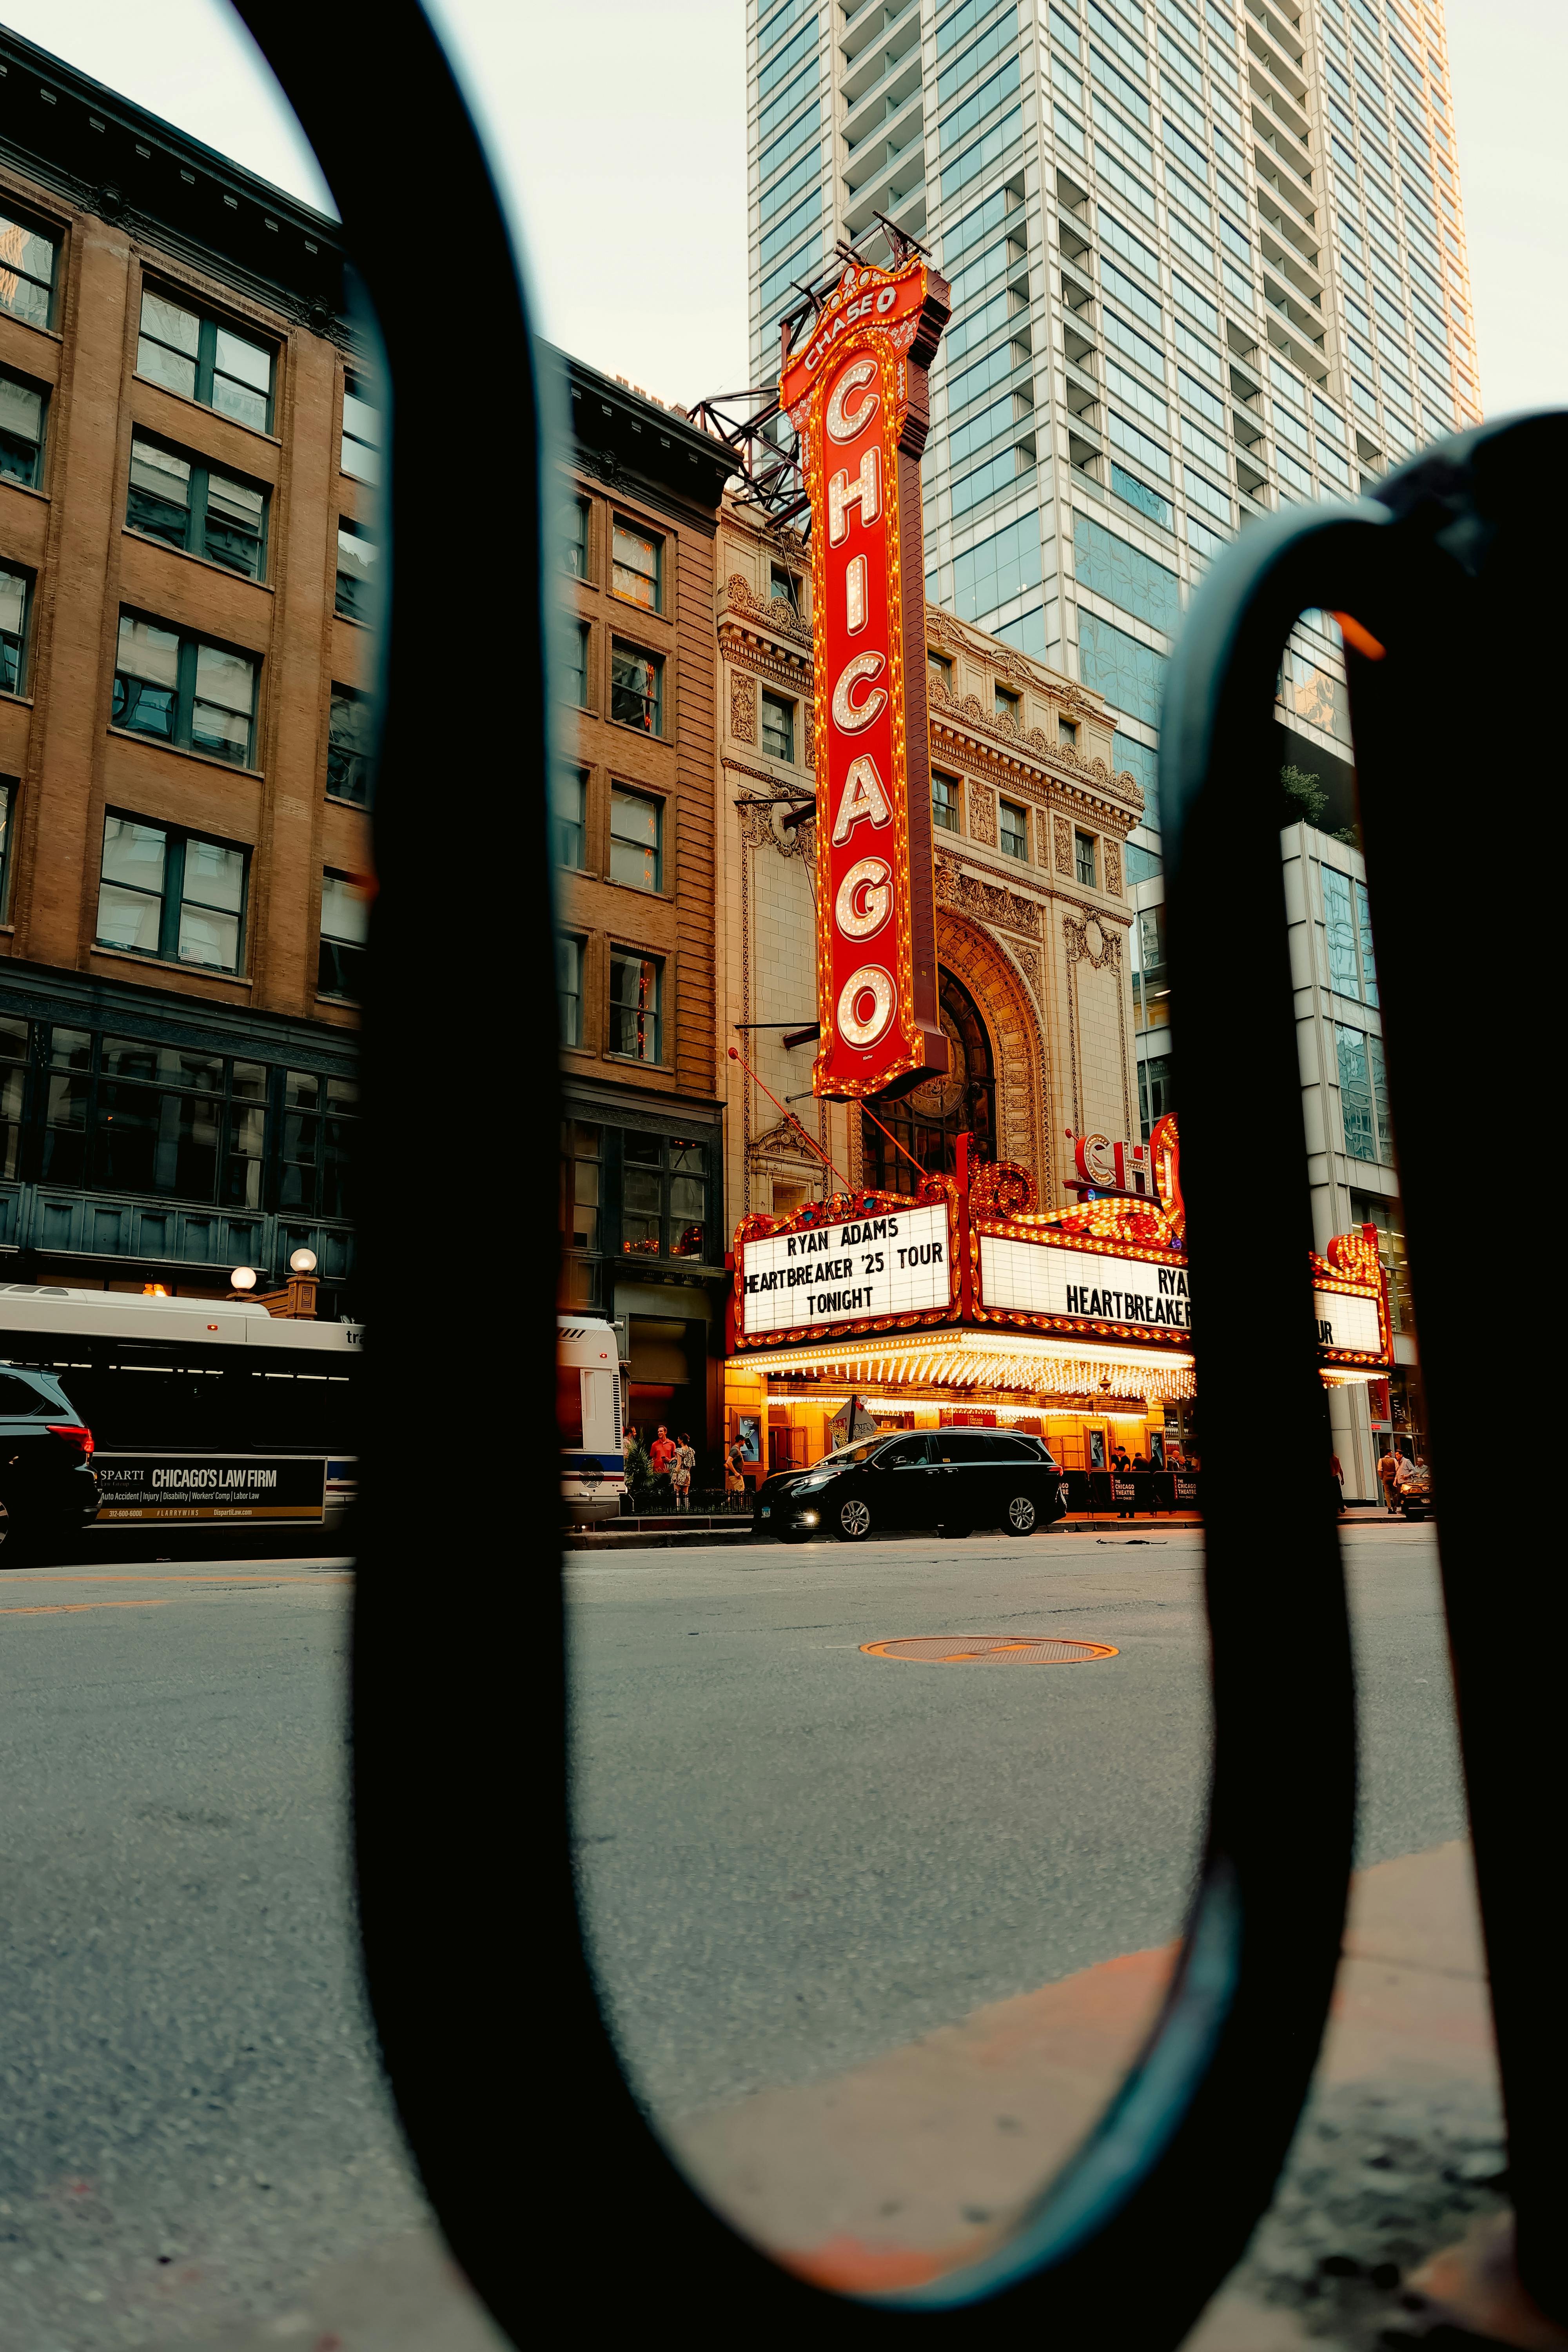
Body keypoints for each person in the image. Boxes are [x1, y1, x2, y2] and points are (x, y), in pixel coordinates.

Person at [671, 1432, 695, 1514]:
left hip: (680, 1473)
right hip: (687, 1473)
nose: (678, 1440)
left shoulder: (679, 1451)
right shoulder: (691, 1451)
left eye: (679, 1439)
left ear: (682, 1440)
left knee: (677, 1493)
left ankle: (678, 1510)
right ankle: (687, 1509)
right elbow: (691, 1465)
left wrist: (675, 1475)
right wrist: (687, 1473)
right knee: (686, 1493)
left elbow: (679, 1464)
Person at [1378, 1446, 1401, 1514]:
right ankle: (1395, 1508)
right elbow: (1397, 1469)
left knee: (1387, 1493)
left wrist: (1382, 1478)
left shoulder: (1381, 1460)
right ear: (1388, 1453)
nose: (1392, 1454)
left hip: (1386, 1478)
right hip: (1393, 1478)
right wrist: (1396, 1478)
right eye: (1391, 1453)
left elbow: (1380, 1470)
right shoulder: (1394, 1460)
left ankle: (1389, 1508)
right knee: (1395, 1494)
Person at [1330, 1450, 1345, 1516]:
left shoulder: (1330, 1459)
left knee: (1333, 1494)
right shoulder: (1337, 1459)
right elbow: (1340, 1470)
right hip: (1336, 1478)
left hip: (1331, 1478)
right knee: (1339, 1493)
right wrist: (1342, 1479)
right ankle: (1342, 1507)